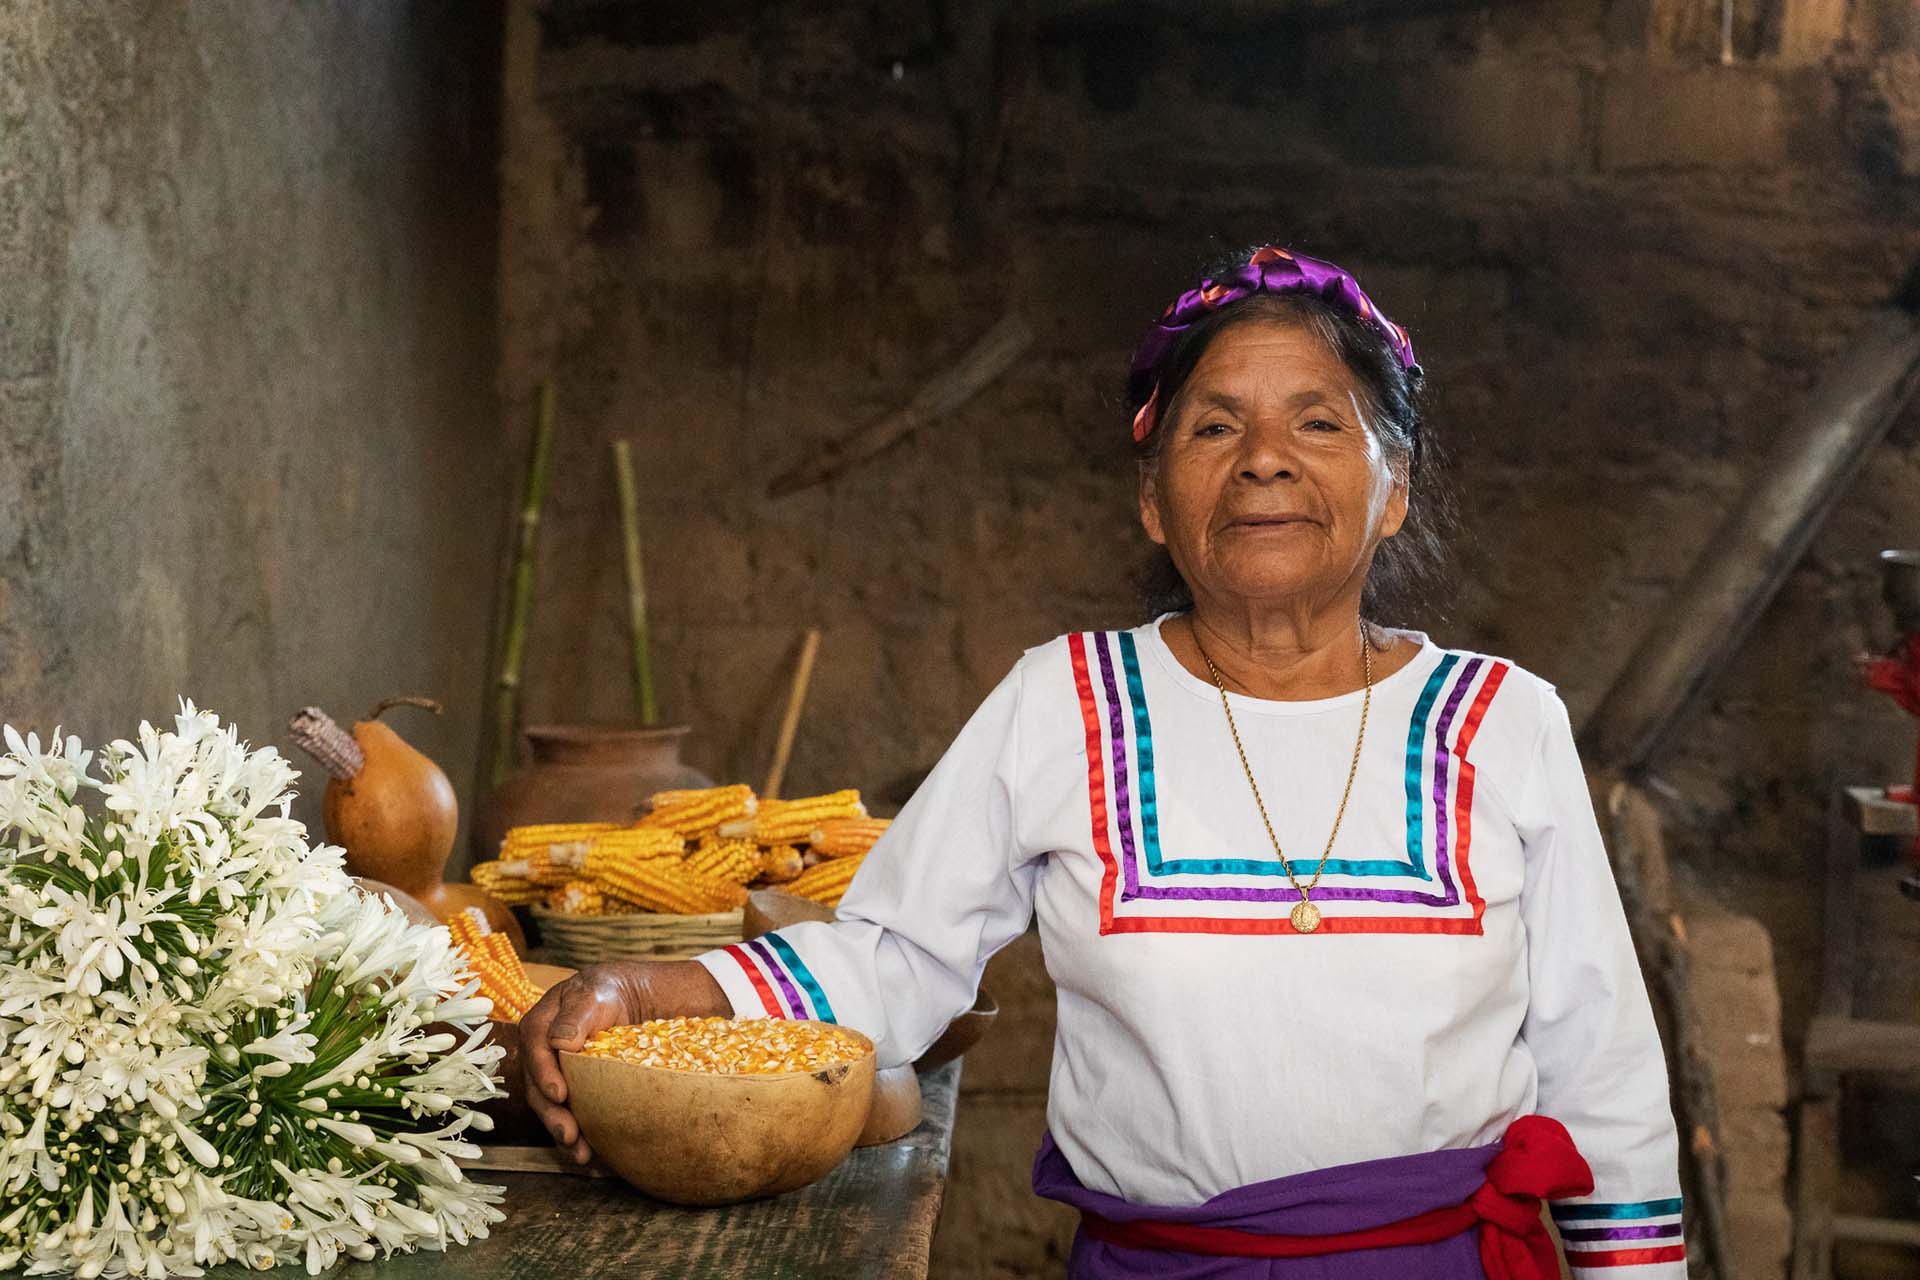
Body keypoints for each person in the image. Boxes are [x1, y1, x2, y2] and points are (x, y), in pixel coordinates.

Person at [521, 246, 1687, 1279]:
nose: (1265, 459)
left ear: (1396, 490)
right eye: (1215, 425)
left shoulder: (1503, 721)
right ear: (1152, 498)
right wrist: (644, 988)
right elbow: (897, 956)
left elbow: (1605, 1077)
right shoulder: (1067, 701)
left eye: (1319, 422)